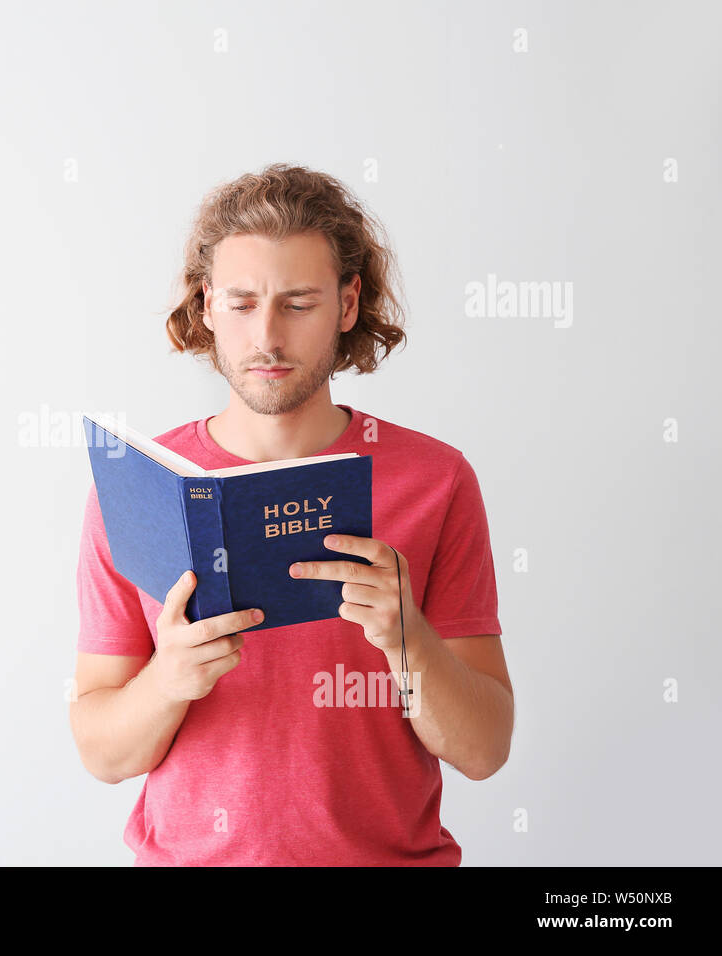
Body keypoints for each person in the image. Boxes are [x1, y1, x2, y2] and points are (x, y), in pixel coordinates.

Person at [69, 163, 514, 866]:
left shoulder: (436, 480)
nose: (267, 338)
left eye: (298, 303)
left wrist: (410, 641)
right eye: (242, 304)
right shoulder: (138, 490)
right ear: (207, 305)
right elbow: (102, 751)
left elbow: (485, 749)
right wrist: (169, 681)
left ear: (346, 304)